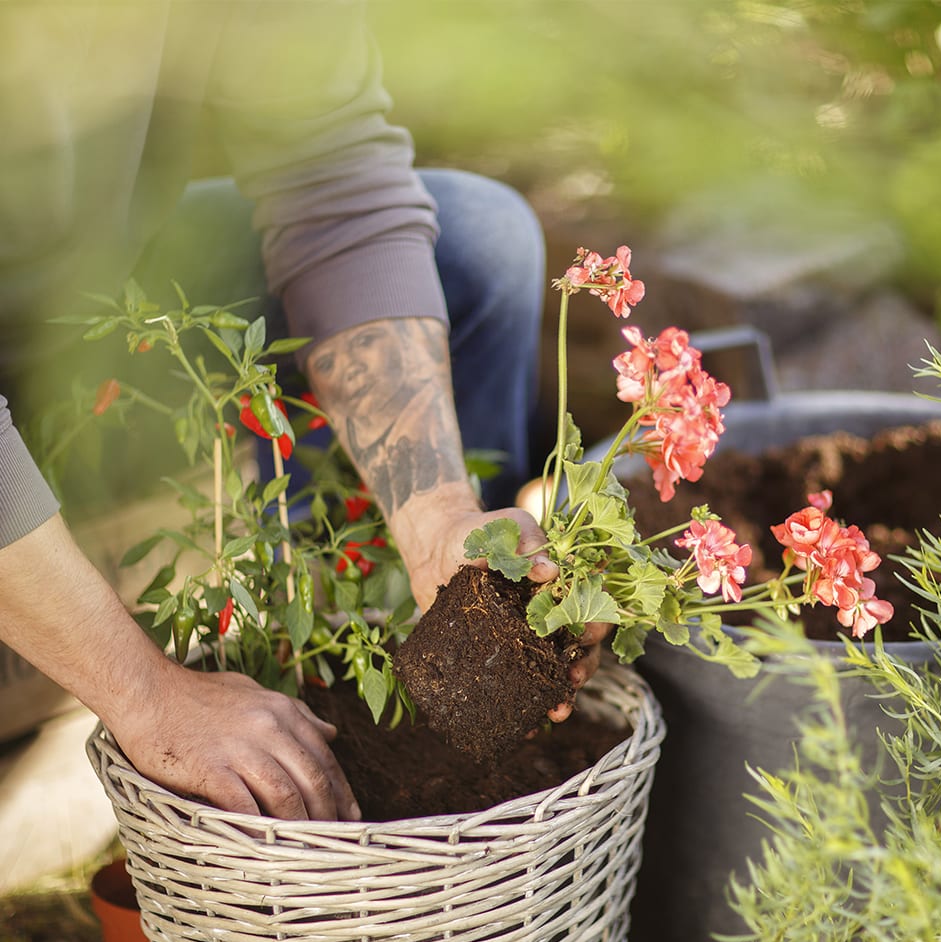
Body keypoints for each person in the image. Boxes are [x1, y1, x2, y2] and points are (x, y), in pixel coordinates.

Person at [0, 2, 606, 821]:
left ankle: (357, 671)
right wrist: (147, 693)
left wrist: (436, 514)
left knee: (478, 243)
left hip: (91, 303)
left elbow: (334, 183)